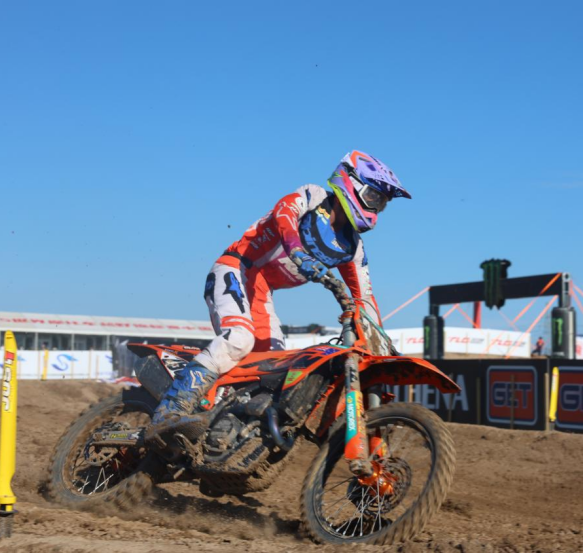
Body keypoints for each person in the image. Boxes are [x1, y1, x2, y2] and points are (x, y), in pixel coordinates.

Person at [148, 150, 410, 437]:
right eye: (374, 197)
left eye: (382, 204)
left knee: (274, 369)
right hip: (235, 268)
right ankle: (169, 411)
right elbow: (283, 214)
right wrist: (296, 248)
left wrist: (381, 343)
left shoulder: (353, 248)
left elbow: (365, 299)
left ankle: (227, 430)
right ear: (351, 183)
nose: (376, 207)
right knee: (239, 338)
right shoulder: (312, 198)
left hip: (261, 291)